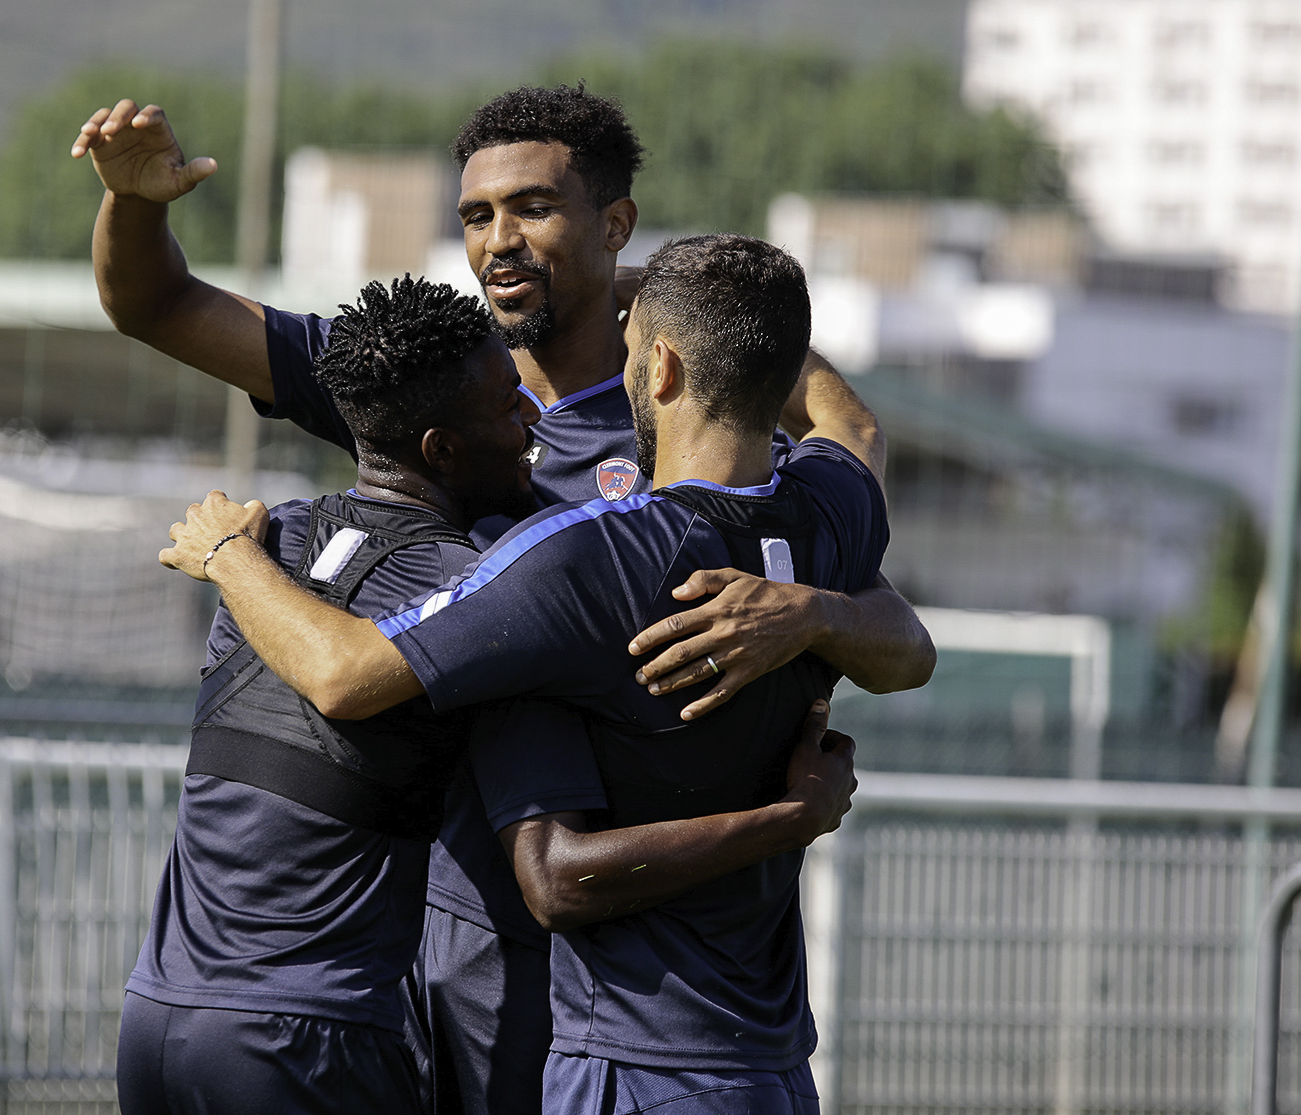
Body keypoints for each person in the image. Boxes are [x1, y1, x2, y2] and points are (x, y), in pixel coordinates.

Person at [76, 84, 934, 1112]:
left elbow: (898, 638)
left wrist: (814, 614)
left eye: (531, 208)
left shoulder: (688, 436)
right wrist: (134, 203)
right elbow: (155, 306)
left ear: (614, 227)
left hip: (619, 940)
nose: (498, 241)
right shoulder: (420, 382)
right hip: (434, 917)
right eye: (476, 216)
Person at [130, 269, 860, 1114]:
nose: (533, 422)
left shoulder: (275, 542)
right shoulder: (492, 587)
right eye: (510, 404)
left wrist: (229, 558)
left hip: (158, 1013)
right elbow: (343, 677)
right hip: (318, 1031)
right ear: (441, 449)